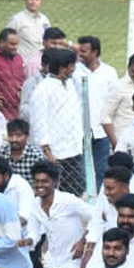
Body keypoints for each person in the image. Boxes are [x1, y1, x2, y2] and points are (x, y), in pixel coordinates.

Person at [29, 48, 86, 195]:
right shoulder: (43, 89)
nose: (74, 69)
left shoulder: (70, 85)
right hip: (56, 153)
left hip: (74, 149)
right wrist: (48, 152)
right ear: (62, 68)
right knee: (55, 193)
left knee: (77, 190)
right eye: (71, 66)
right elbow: (39, 121)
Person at [76, 35, 119, 187]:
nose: (80, 54)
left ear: (95, 52)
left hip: (101, 131)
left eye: (84, 51)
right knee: (81, 172)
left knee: (101, 170)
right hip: (80, 131)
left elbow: (114, 102)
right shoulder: (75, 72)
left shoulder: (109, 72)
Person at [101, 53, 134, 148]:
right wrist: (115, 143)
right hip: (124, 143)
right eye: (133, 71)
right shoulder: (118, 87)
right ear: (128, 69)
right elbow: (105, 116)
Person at [7, 0, 50, 64]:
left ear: (41, 2)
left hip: (42, 64)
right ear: (26, 0)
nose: (33, 2)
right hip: (24, 64)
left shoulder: (44, 20)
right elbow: (7, 41)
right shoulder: (17, 19)